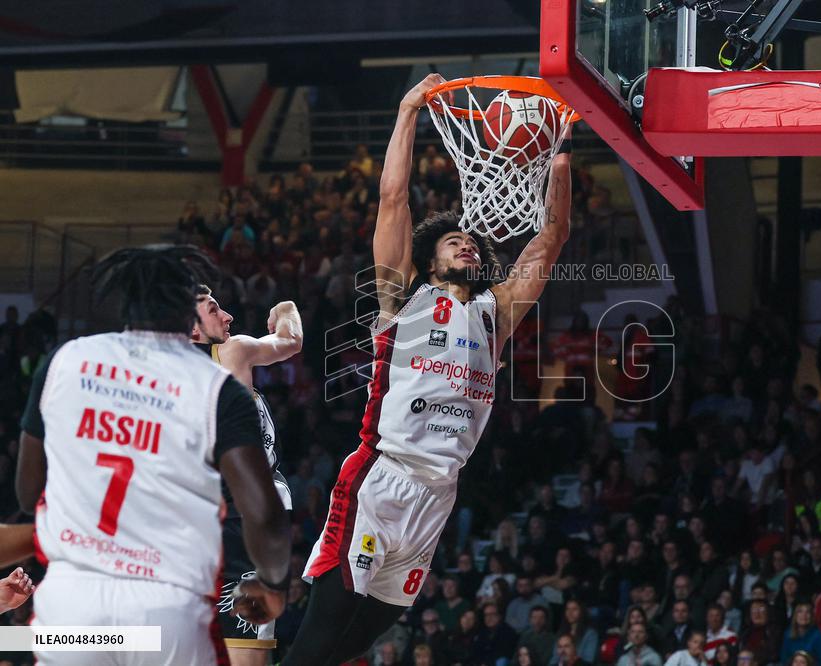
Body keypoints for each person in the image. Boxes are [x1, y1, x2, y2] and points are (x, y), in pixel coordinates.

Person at [286, 72, 573, 665]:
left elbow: (551, 236)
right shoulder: (401, 297)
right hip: (380, 481)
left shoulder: (495, 315)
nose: (466, 244)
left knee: (360, 641)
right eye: (452, 242)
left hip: (438, 495)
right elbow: (394, 198)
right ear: (428, 257)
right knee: (317, 645)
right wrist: (409, 108)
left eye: (471, 242)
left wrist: (560, 150)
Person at [15, 246, 290, 664]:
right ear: (187, 314)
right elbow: (263, 514)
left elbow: (27, 493)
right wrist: (272, 583)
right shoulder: (214, 385)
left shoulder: (65, 360)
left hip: (73, 605)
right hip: (166, 603)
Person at [192, 285, 302, 664]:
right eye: (213, 310)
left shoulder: (157, 377)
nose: (227, 317)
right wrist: (285, 307)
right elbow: (291, 340)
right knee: (246, 654)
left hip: (191, 524)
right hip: (243, 520)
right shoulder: (231, 351)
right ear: (191, 327)